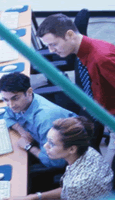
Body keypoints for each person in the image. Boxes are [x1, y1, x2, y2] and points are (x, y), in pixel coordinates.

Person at [36, 13, 115, 152]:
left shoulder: (101, 58)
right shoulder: (83, 53)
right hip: (100, 108)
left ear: (70, 35)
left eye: (54, 44)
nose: (51, 50)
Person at [0, 72, 77, 193]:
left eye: (15, 98)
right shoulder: (22, 104)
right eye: (6, 100)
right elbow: (7, 115)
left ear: (29, 92)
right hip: (42, 143)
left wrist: (28, 147)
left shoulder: (45, 119)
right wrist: (21, 130)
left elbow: (57, 161)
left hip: (63, 158)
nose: (11, 105)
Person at [3, 116, 114, 200]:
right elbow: (67, 190)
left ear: (72, 149)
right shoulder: (88, 151)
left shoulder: (79, 183)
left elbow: (72, 189)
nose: (45, 146)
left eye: (52, 144)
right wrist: (35, 197)